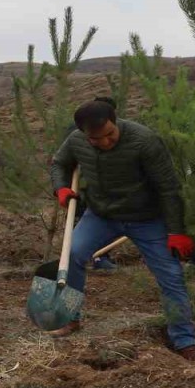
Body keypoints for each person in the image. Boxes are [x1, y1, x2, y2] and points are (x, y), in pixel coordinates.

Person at [48, 100, 195, 360]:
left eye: (110, 134)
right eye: (96, 139)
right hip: (102, 215)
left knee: (170, 275)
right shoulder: (76, 141)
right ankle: (69, 317)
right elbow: (59, 163)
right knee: (72, 254)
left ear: (115, 120)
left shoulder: (144, 141)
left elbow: (169, 188)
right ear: (85, 134)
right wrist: (61, 187)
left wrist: (176, 231)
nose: (105, 142)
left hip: (147, 218)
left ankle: (185, 342)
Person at [64, 97, 118, 272]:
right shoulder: (76, 130)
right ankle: (82, 258)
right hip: (82, 183)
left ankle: (100, 256)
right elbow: (65, 155)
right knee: (82, 220)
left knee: (104, 220)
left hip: (102, 185)